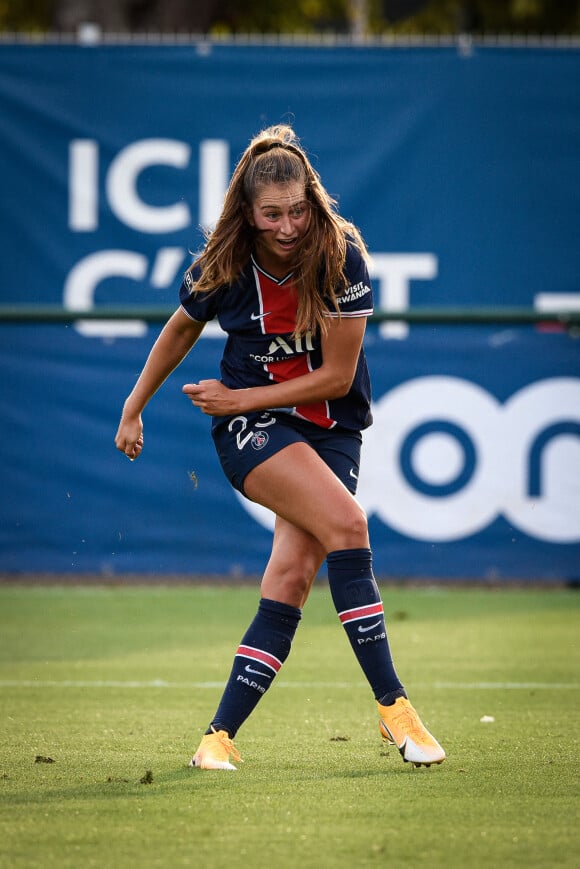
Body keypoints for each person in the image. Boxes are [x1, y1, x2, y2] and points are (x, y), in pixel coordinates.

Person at [115, 124, 445, 771]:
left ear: (310, 197)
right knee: (349, 524)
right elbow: (181, 329)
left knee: (292, 577)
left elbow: (338, 378)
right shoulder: (226, 260)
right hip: (253, 433)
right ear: (247, 210)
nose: (289, 224)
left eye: (297, 208)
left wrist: (238, 396)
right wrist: (133, 406)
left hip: (328, 425)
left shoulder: (342, 251)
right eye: (272, 214)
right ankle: (396, 708)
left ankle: (217, 736)